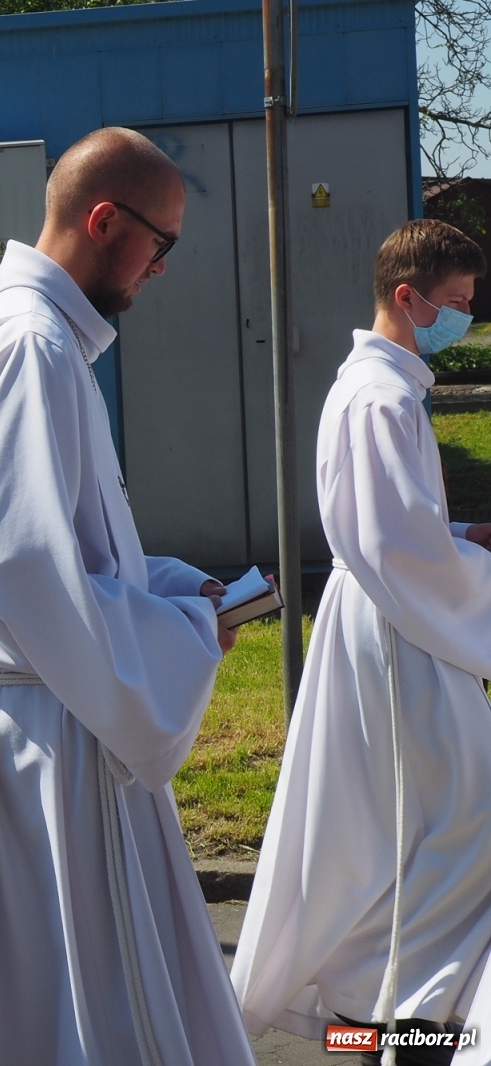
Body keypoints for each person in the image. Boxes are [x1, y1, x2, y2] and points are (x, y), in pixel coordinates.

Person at [0, 127, 255, 1066]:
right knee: (67, 1006)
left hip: (42, 714)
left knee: (34, 1002)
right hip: (46, 732)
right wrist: (180, 632)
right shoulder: (30, 345)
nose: (160, 268)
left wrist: (172, 588)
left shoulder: (39, 338)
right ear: (104, 220)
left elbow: (67, 550)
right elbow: (17, 566)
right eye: (161, 244)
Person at [232, 219, 489, 1066]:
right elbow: (394, 548)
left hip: (391, 618)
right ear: (405, 297)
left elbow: (402, 527)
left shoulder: (386, 387)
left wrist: (460, 535)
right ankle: (407, 1028)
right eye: (452, 305)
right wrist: (463, 563)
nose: (463, 321)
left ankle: (380, 1024)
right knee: (448, 831)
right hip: (399, 633)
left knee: (398, 840)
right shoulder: (379, 397)